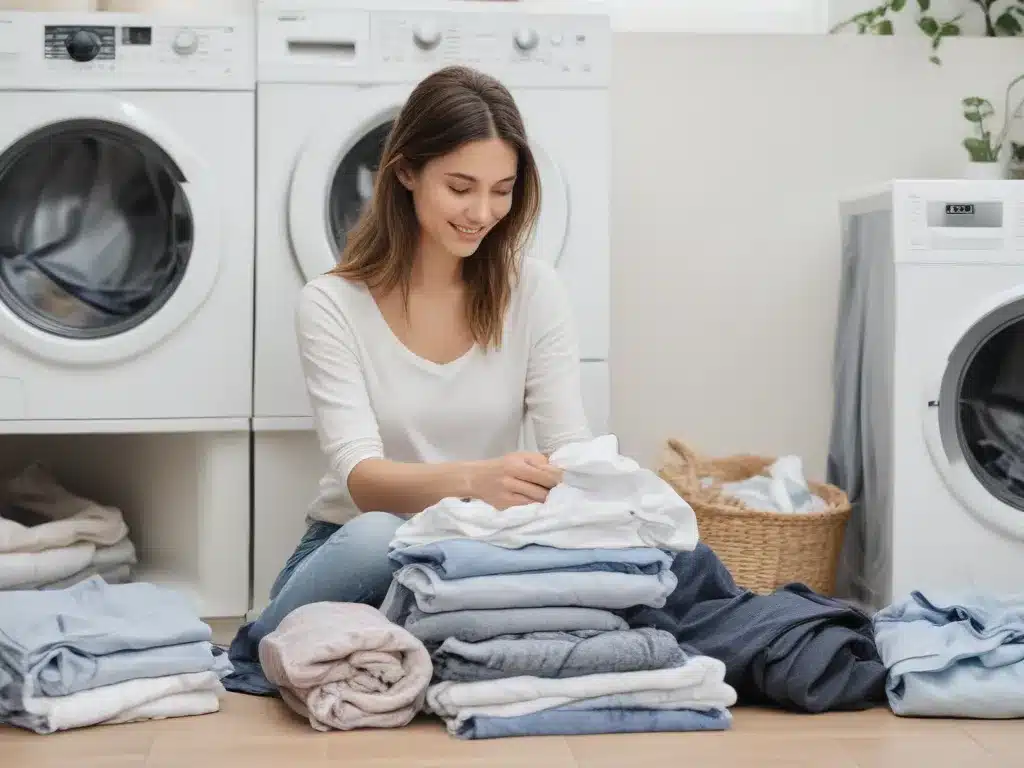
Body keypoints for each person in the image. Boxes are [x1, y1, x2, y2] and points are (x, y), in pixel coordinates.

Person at [223, 65, 592, 694]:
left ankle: (412, 646)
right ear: (405, 172)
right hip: (357, 550)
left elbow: (572, 449)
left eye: (502, 190)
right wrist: (479, 478)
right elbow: (363, 482)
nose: (482, 213)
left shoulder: (534, 290)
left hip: (479, 548)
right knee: (379, 536)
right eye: (460, 187)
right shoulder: (331, 304)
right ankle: (261, 648)